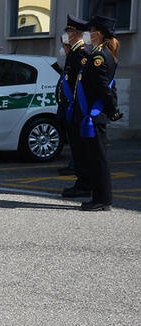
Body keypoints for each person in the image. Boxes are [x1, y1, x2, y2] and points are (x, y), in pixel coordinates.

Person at [74, 15, 123, 211]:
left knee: (98, 159)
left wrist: (112, 110)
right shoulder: (99, 53)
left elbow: (104, 88)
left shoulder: (100, 56)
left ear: (99, 34)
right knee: (94, 157)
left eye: (92, 30)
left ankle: (102, 199)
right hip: (94, 114)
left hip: (95, 114)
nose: (88, 33)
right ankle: (100, 197)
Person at [58, 15, 92, 198]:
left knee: (81, 150)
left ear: (74, 34)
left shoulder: (81, 53)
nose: (66, 35)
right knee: (77, 149)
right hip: (73, 107)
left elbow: (80, 84)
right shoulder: (76, 52)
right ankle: (82, 182)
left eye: (68, 32)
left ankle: (84, 184)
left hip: (78, 108)